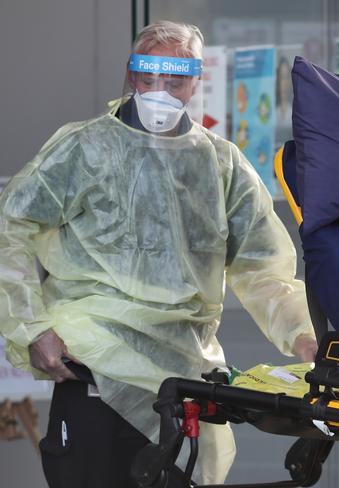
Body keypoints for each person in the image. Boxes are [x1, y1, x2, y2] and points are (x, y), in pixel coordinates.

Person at [0, 21, 317, 488]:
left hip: (187, 377)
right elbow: (13, 228)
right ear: (131, 75)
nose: (160, 90)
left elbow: (264, 269)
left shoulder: (222, 163)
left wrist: (307, 339)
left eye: (174, 78)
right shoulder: (84, 148)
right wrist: (32, 328)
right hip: (95, 366)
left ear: (195, 81)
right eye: (149, 76)